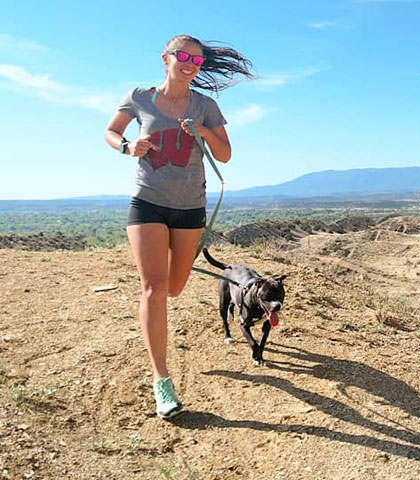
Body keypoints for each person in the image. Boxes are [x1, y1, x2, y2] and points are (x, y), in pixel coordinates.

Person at [103, 34, 253, 419]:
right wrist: (126, 147)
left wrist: (202, 131)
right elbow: (111, 131)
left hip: (190, 207)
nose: (189, 63)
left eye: (197, 60)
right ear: (165, 58)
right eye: (182, 56)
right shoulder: (140, 97)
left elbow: (225, 154)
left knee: (174, 287)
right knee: (153, 289)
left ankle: (159, 316)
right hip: (147, 200)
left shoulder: (205, 106)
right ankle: (162, 381)